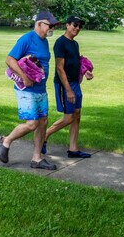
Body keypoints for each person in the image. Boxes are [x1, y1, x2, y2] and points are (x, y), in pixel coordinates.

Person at [0, 11, 60, 170]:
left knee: (43, 121)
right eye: (50, 25)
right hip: (26, 89)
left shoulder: (44, 41)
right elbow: (9, 59)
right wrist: (24, 76)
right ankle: (6, 141)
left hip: (40, 88)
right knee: (32, 123)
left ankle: (36, 159)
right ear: (39, 24)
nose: (52, 28)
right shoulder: (27, 38)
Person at [42, 15, 93, 158]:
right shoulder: (60, 43)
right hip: (65, 84)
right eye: (75, 25)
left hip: (75, 83)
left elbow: (77, 62)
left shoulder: (74, 44)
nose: (77, 28)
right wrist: (68, 89)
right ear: (67, 25)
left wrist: (86, 71)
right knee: (69, 117)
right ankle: (44, 136)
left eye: (79, 26)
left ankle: (73, 149)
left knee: (77, 116)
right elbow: (60, 68)